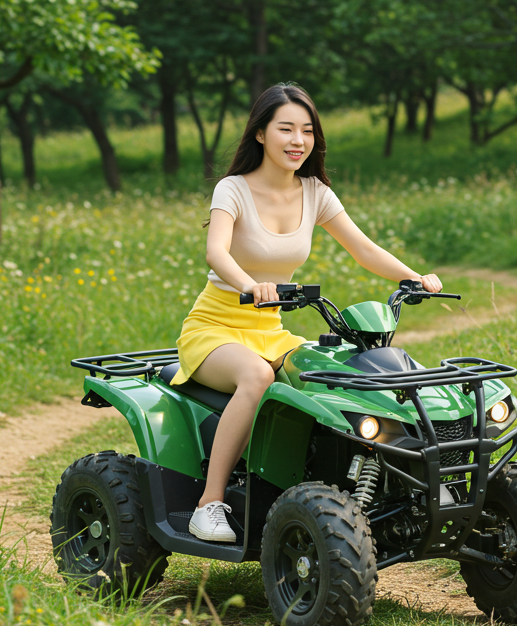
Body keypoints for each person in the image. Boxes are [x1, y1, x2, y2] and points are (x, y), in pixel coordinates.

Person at [171, 83, 443, 542]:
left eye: (307, 130)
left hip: (271, 330)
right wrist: (250, 285)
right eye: (286, 129)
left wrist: (414, 277)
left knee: (333, 373)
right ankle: (209, 504)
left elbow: (363, 249)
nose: (298, 140)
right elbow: (216, 251)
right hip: (216, 327)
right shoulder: (233, 189)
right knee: (257, 376)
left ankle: (343, 490)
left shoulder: (314, 192)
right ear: (260, 134)